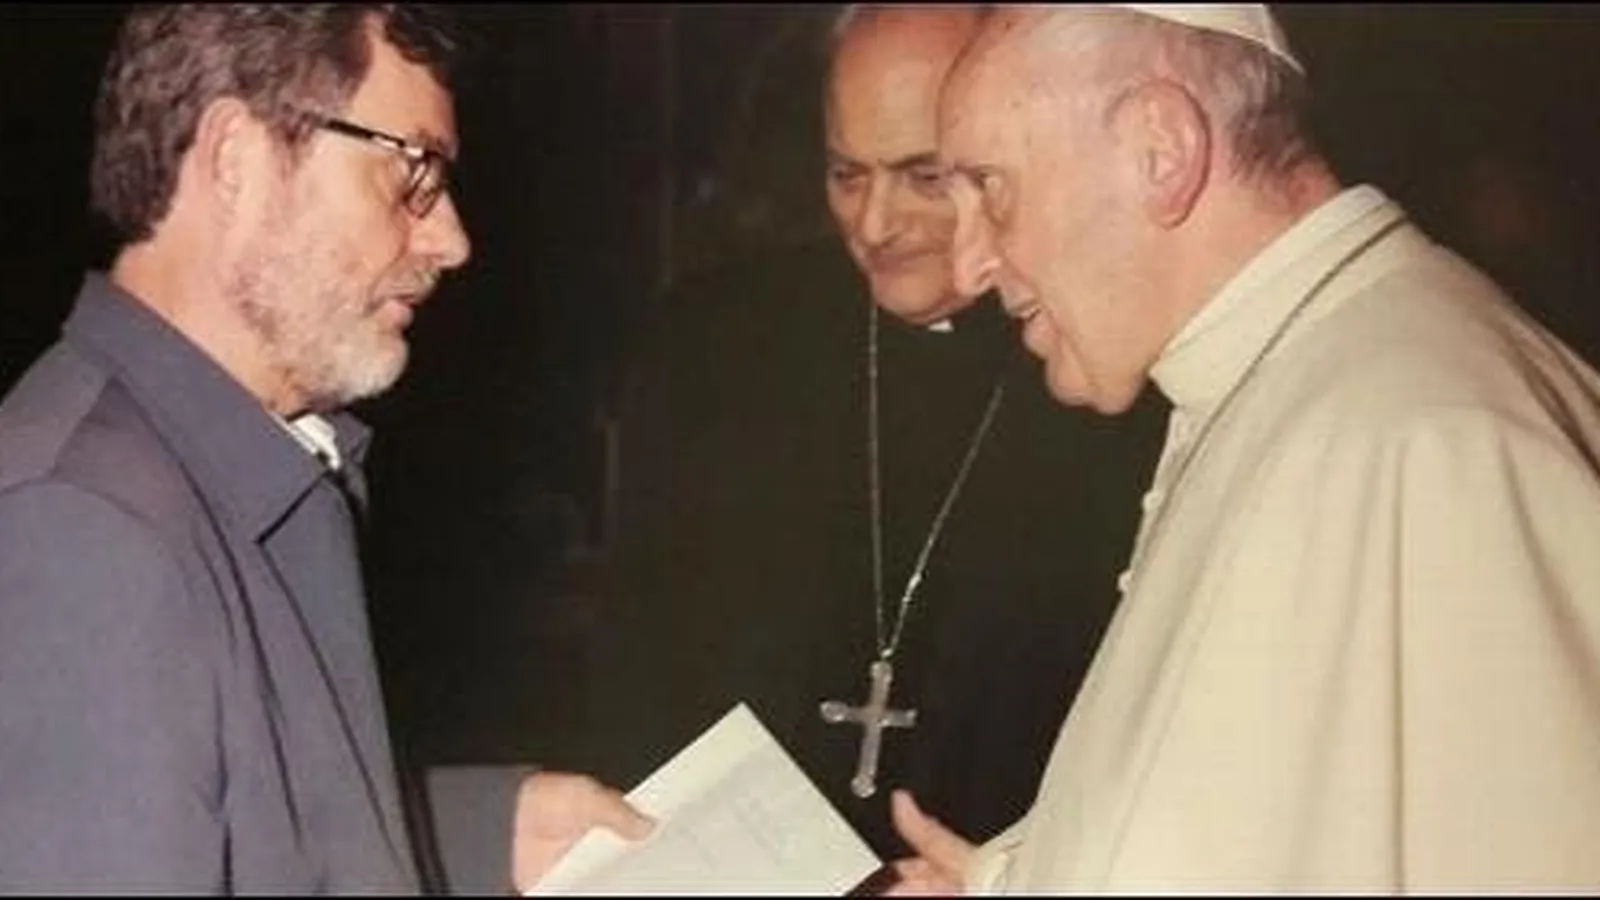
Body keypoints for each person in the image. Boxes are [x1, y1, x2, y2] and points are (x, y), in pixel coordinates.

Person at [886, 3, 1600, 892]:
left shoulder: (1436, 441)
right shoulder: (1282, 381)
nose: (967, 267)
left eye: (991, 188)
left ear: (1161, 151)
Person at [0, 4, 649, 893]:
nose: (451, 241)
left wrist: (490, 831)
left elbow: (232, 817)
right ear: (236, 157)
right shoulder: (81, 531)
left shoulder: (209, 465)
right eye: (412, 170)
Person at [569, 2, 1165, 872]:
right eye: (847, 174)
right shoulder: (715, 346)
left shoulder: (1112, 377)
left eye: (925, 176)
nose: (875, 224)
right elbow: (635, 676)